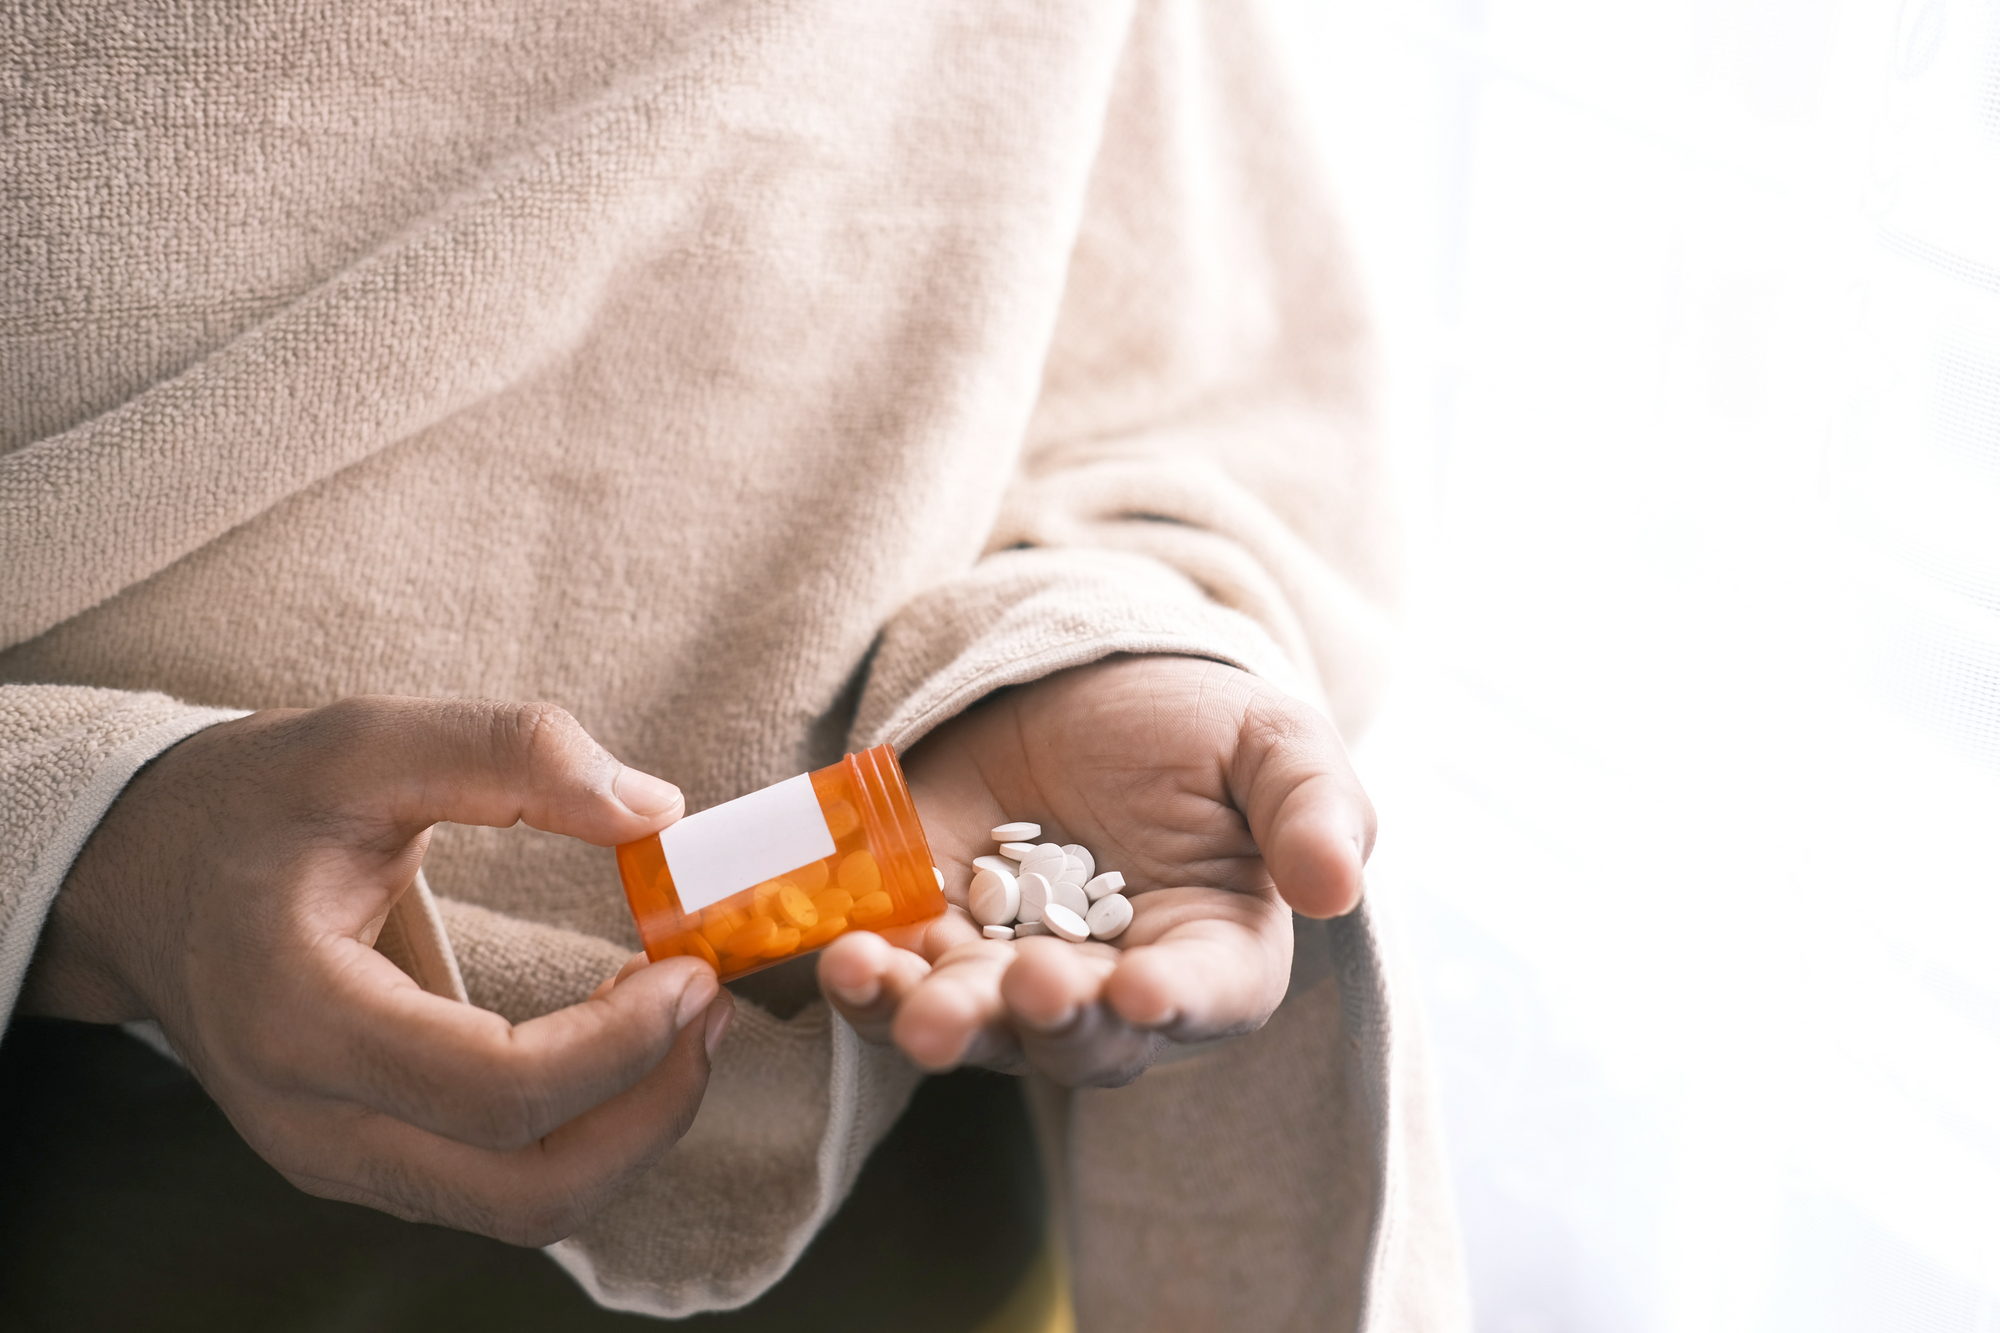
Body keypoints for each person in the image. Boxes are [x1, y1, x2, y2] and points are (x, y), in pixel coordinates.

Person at [0, 0, 1466, 1327]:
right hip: (96, 1189)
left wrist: (1075, 658)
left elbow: (1200, 402)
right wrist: (87, 846)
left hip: (903, 1174)